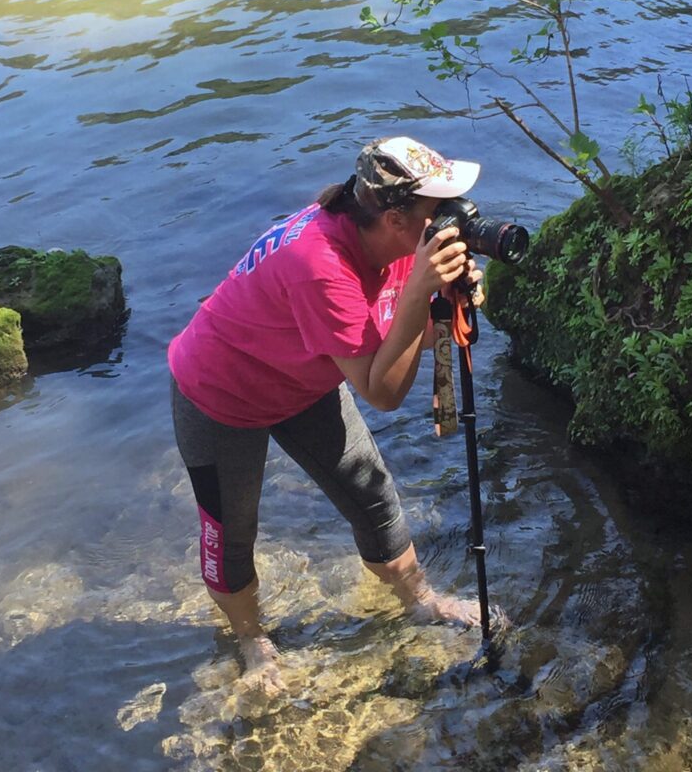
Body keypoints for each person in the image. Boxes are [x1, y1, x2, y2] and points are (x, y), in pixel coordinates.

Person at [168, 135, 486, 693]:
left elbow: (385, 339)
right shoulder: (320, 263)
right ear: (393, 217)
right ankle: (249, 640)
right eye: (441, 212)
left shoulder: (387, 242)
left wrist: (440, 298)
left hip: (303, 376)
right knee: (233, 528)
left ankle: (421, 601)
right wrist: (419, 292)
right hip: (221, 392)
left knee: (373, 494)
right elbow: (382, 391)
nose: (453, 223)